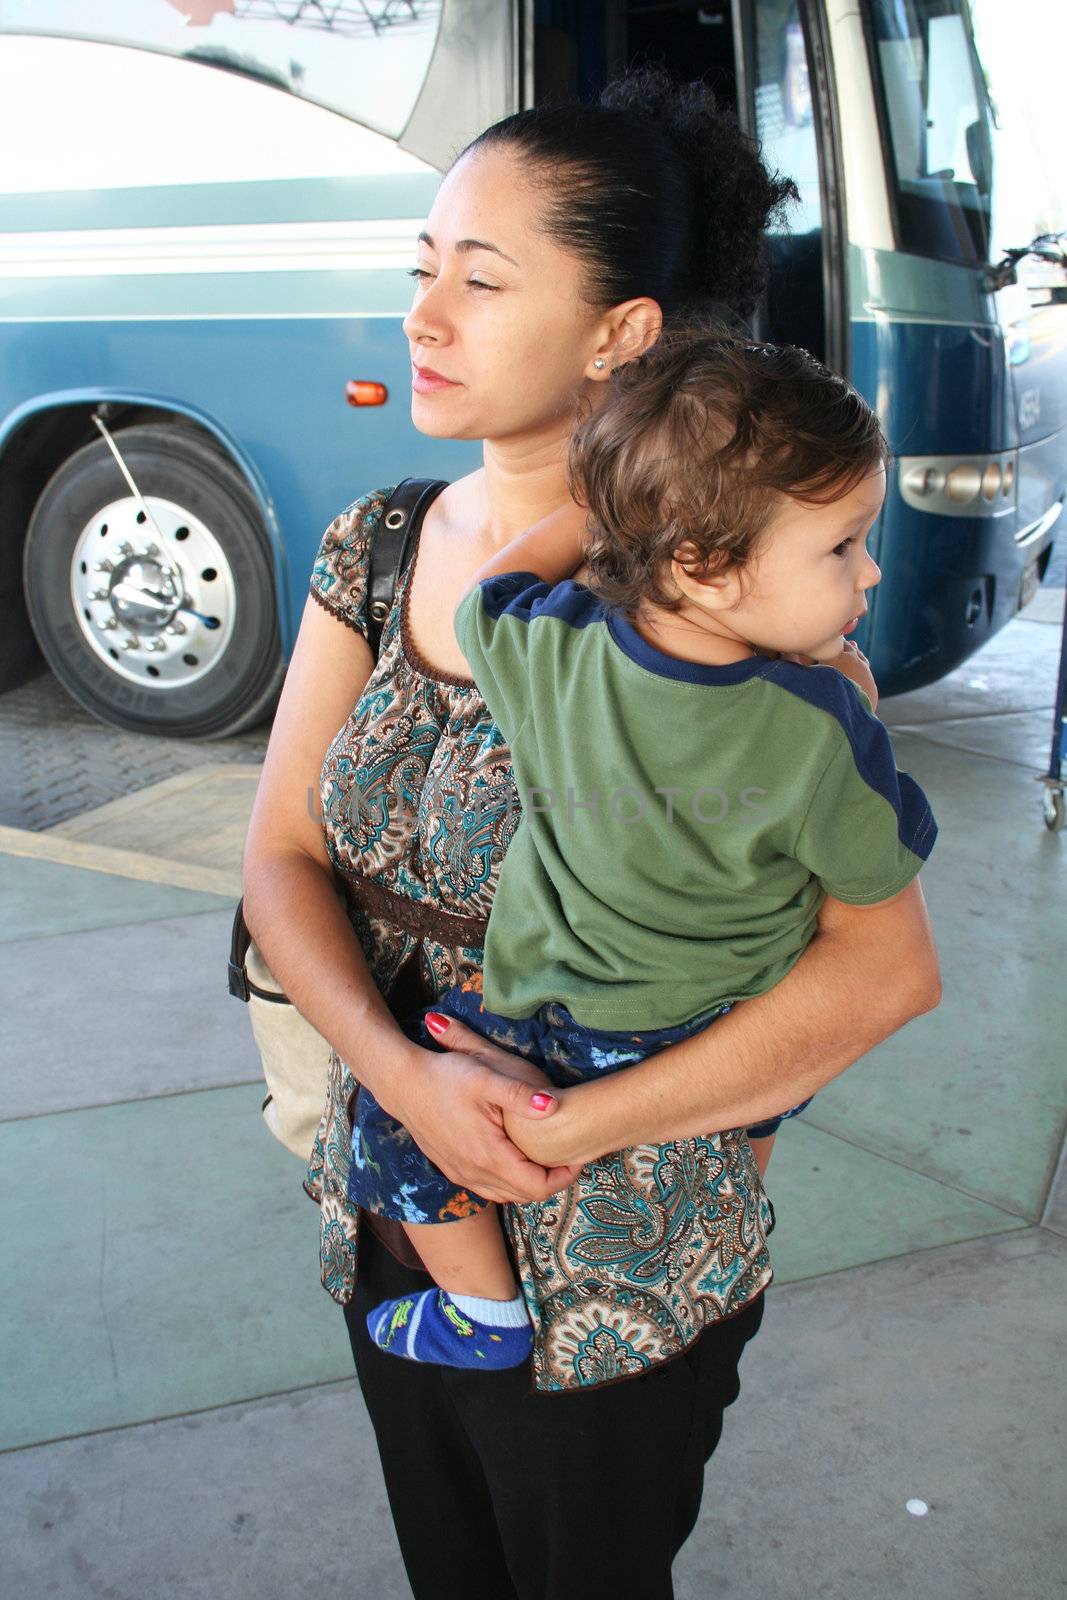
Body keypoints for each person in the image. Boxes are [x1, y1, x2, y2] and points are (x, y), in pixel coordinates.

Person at [242, 68, 941, 1600]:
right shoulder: (374, 547)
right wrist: (406, 1086)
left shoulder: (743, 627)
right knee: (451, 1564)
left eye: (480, 283)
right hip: (395, 1197)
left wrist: (563, 1132)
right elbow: (278, 860)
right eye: (419, 272)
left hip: (624, 1244)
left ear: (622, 333)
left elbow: (877, 975)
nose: (424, 317)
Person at [351, 332, 936, 1370]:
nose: (869, 568)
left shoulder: (549, 646)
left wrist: (618, 505)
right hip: (723, 1028)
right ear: (706, 566)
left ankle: (480, 1309)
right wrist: (854, 700)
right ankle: (736, 1187)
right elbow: (883, 858)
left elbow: (489, 585)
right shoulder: (815, 726)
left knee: (389, 1113)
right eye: (840, 546)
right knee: (776, 1083)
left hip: (565, 1027)